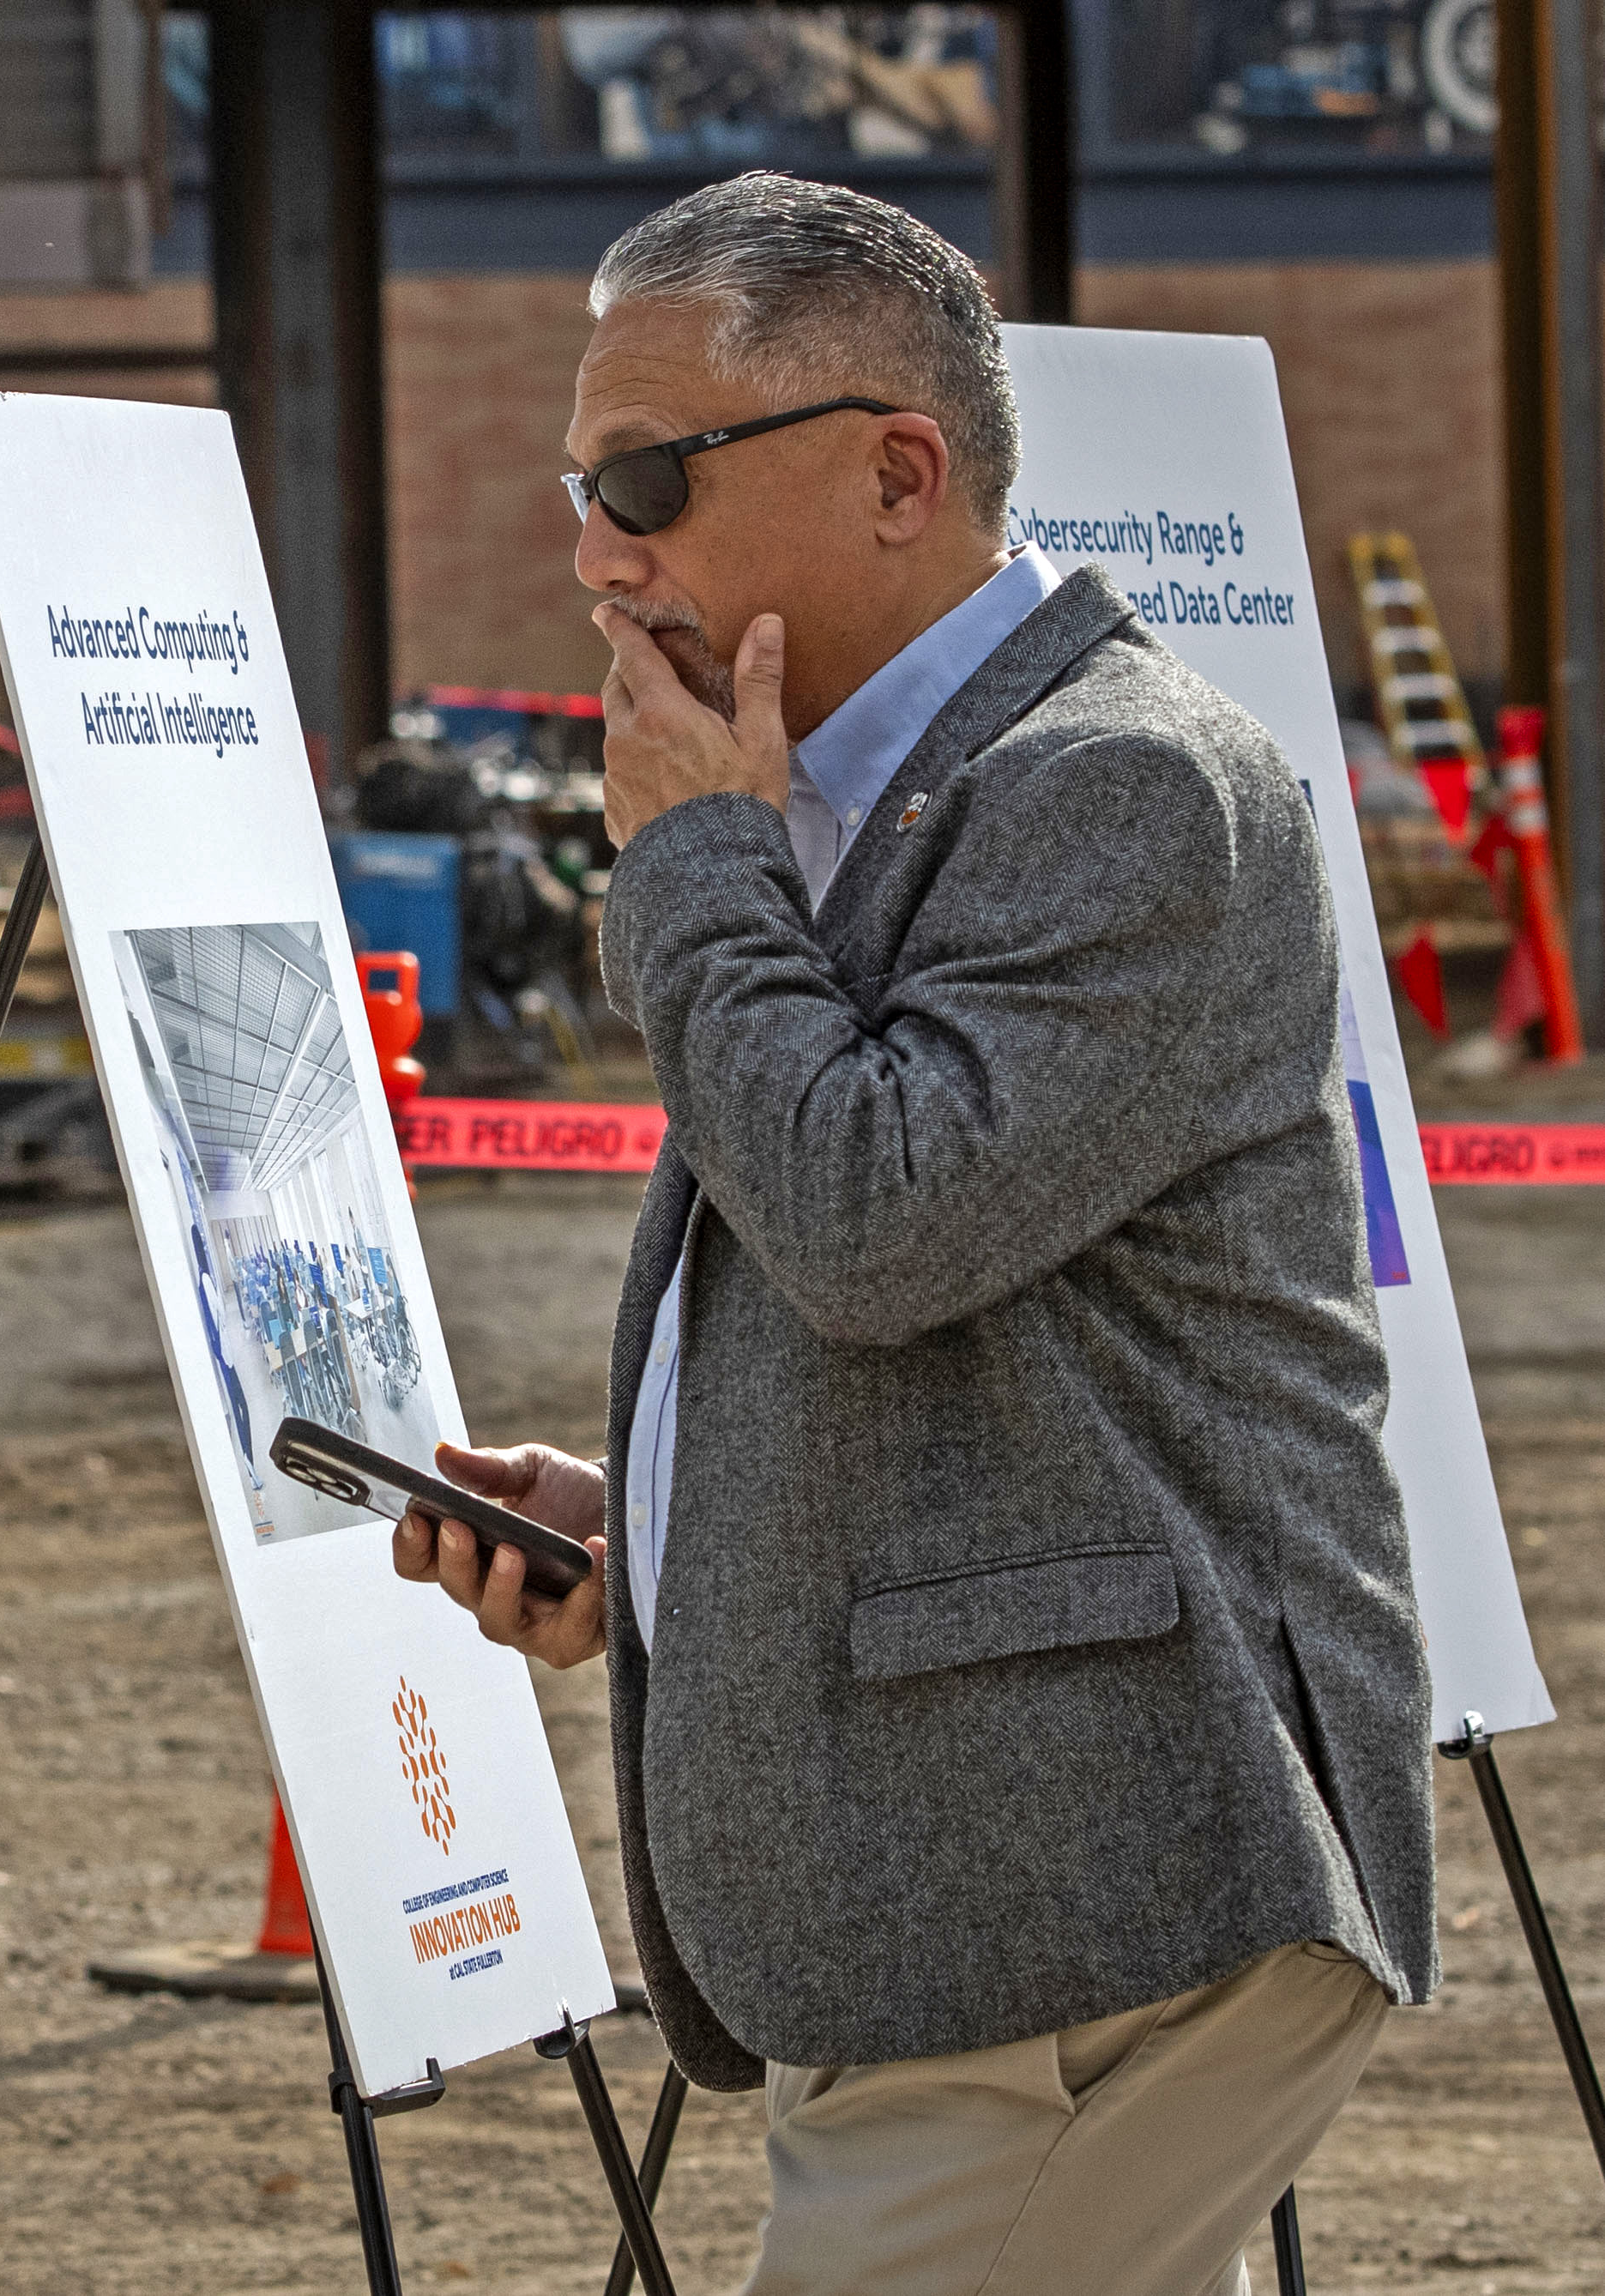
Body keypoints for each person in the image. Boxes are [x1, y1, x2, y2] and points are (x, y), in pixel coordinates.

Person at [393, 173, 1430, 2296]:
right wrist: (664, 1530)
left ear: (895, 468)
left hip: (1068, 1904)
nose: (596, 549)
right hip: (1006, 1906)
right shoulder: (885, 791)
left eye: (645, 478)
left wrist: (691, 861)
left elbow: (871, 1220)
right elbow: (969, 1328)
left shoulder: (1111, 783)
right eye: (578, 485)